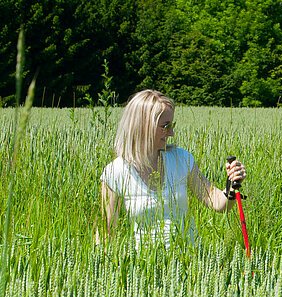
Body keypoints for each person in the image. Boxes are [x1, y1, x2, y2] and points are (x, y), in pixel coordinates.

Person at [100, 89, 246, 245]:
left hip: (190, 259)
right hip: (144, 264)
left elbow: (216, 202)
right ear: (143, 126)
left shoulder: (181, 159)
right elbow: (107, 232)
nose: (172, 133)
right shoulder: (115, 172)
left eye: (172, 125)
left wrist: (232, 184)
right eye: (165, 126)